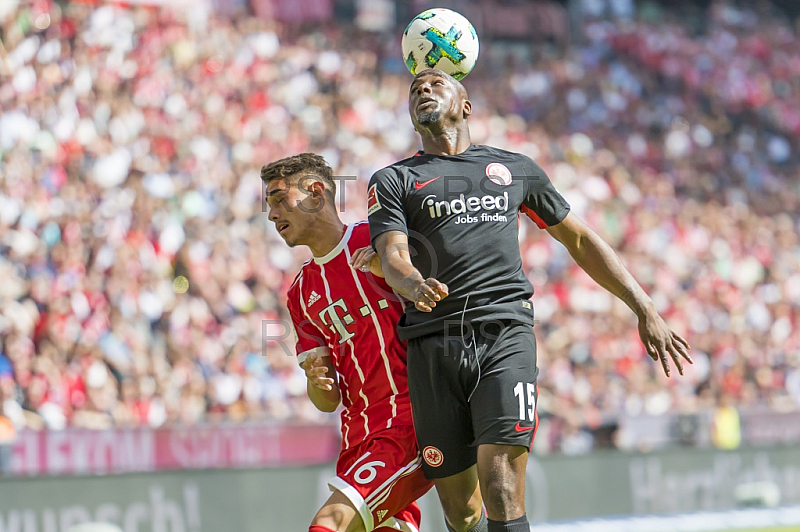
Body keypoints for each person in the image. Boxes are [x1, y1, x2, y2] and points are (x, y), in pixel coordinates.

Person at [367, 68, 693, 532]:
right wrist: (413, 283)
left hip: (504, 335)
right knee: (461, 512)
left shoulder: (514, 168)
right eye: (415, 89)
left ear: (466, 105)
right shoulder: (392, 179)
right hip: (431, 345)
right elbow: (392, 252)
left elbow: (579, 239)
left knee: (500, 482)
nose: (423, 90)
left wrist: (645, 307)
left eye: (437, 84)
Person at [262, 153, 436, 532]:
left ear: (315, 192)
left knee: (328, 525)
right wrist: (315, 382)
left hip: (407, 422)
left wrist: (394, 275)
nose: (272, 214)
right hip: (357, 439)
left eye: (278, 199)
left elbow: (436, 298)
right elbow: (328, 400)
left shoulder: (378, 240)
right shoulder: (300, 293)